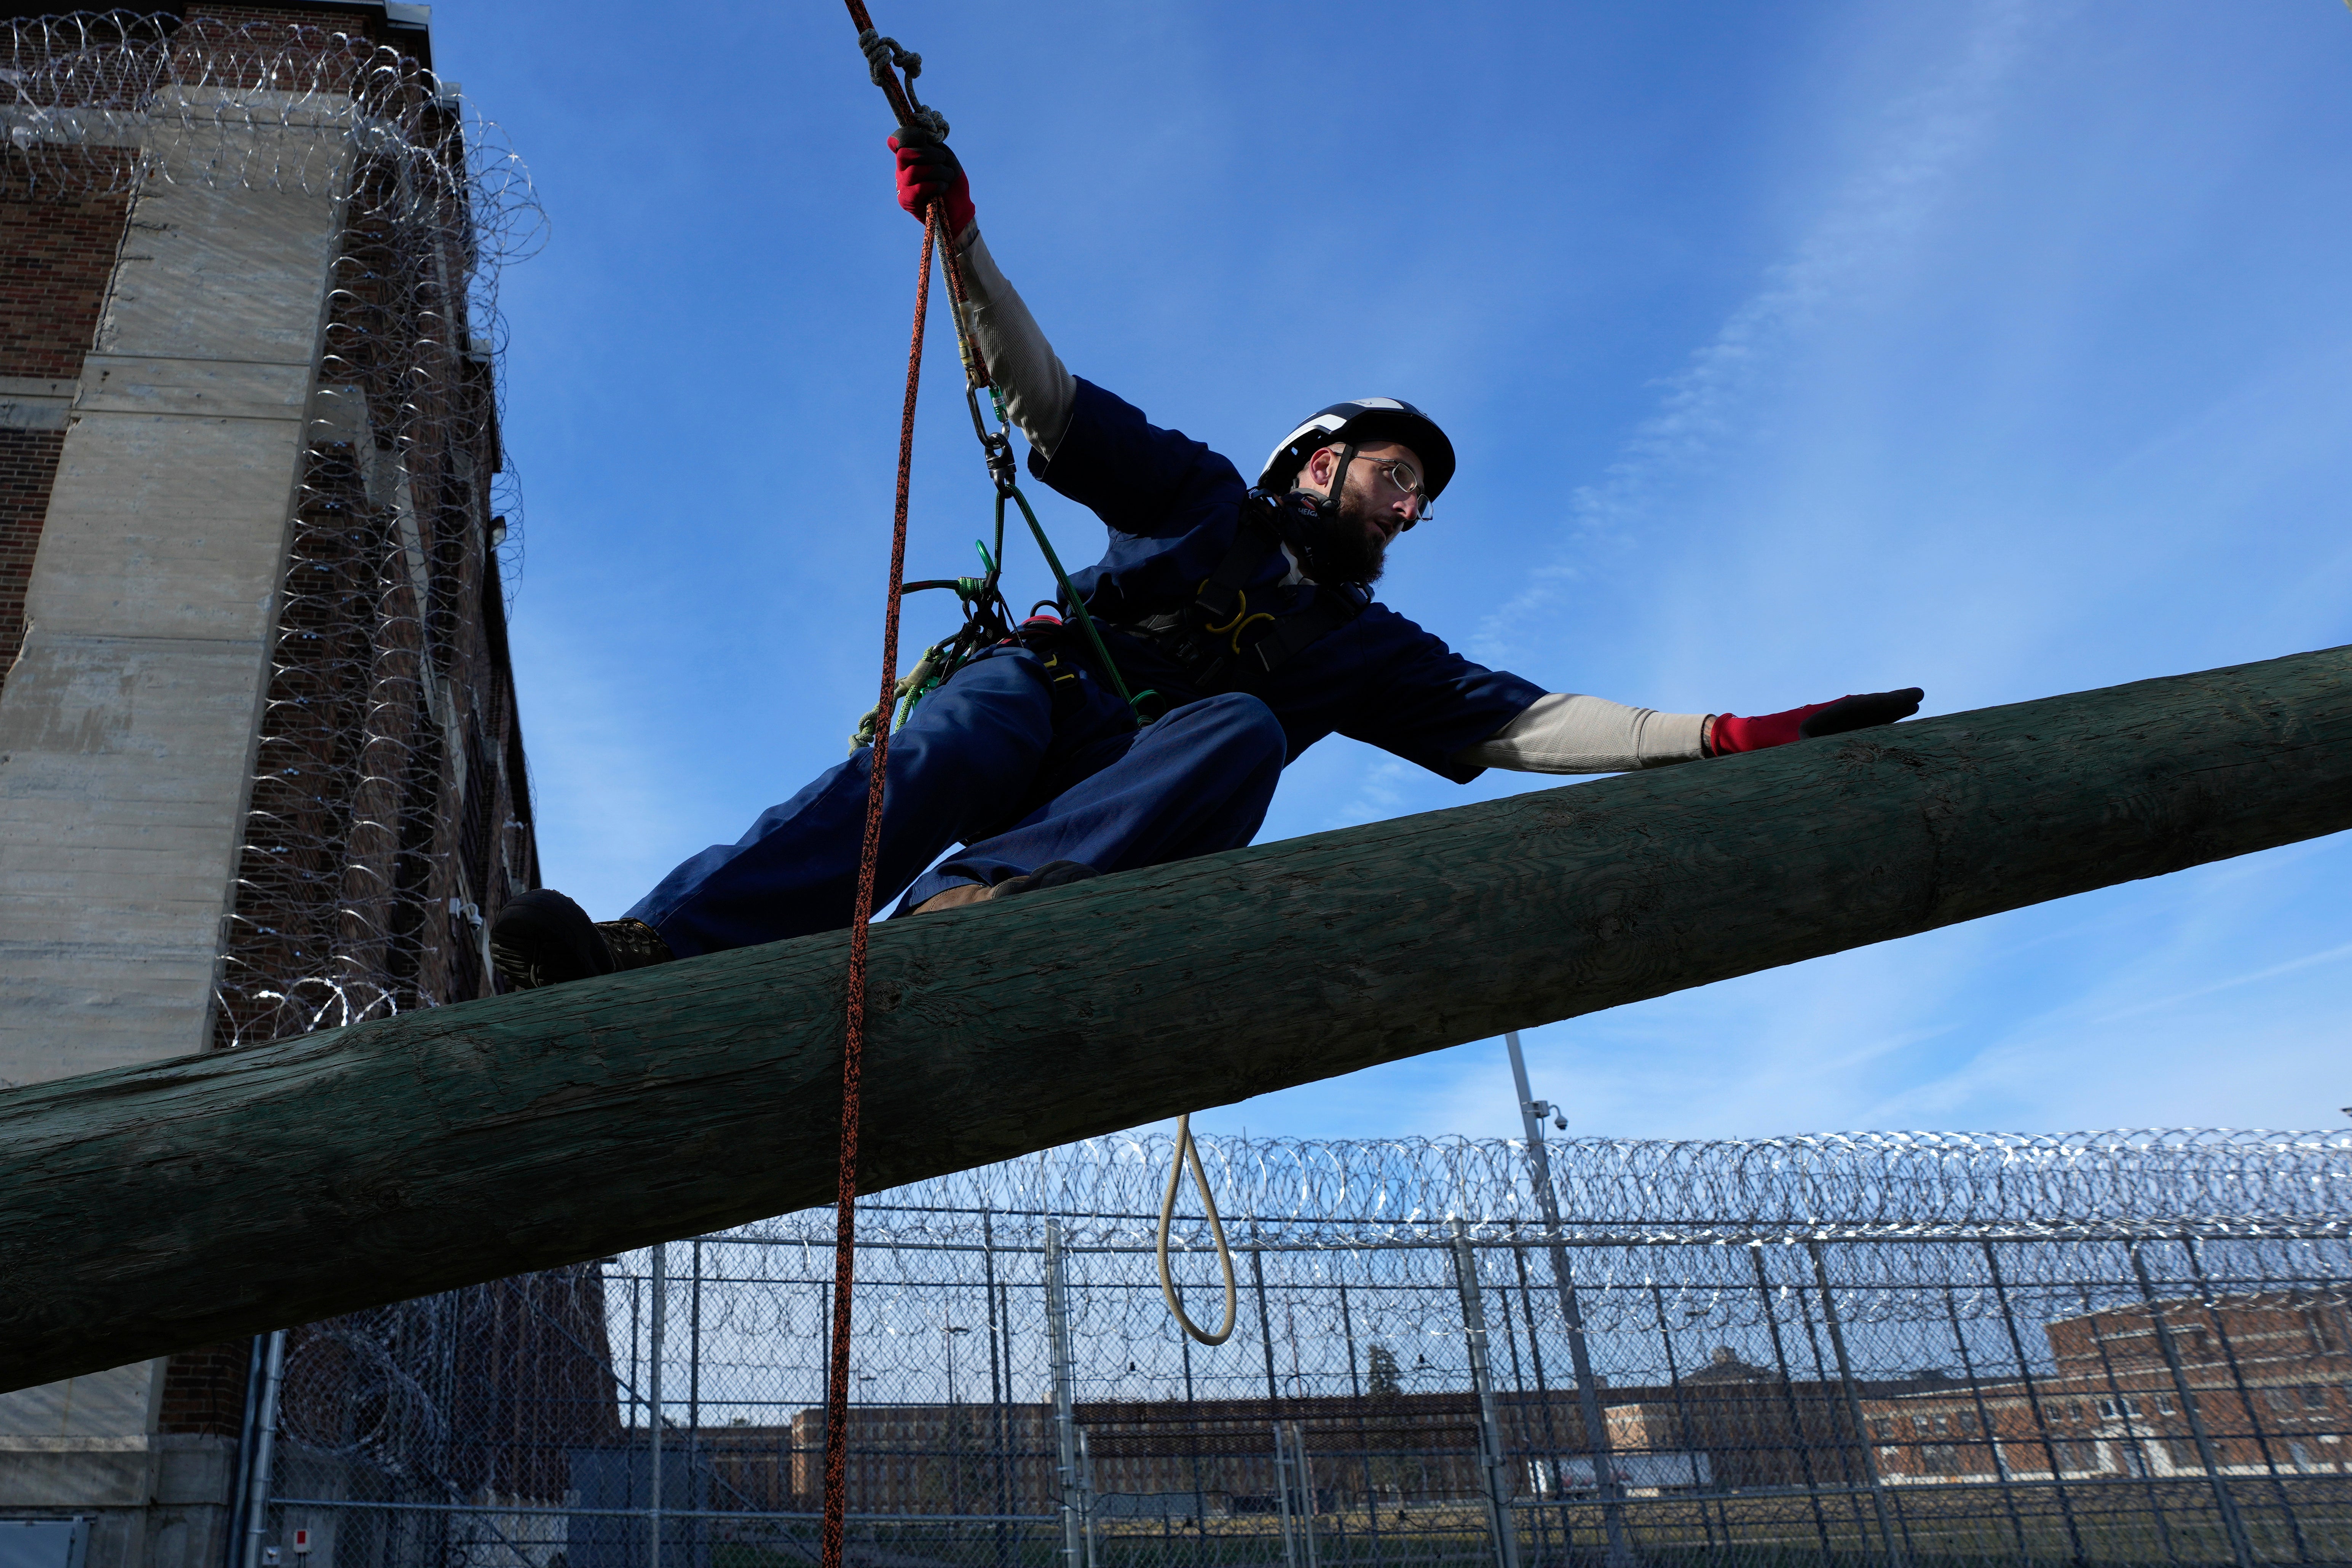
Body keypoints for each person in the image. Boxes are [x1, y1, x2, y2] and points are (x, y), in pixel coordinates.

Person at [488, 139, 1921, 990]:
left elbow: (1532, 726)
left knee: (1236, 724)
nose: (1407, 506)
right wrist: (962, 240)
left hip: (1108, 830)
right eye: (1392, 474)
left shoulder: (1372, 654)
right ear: (1317, 463)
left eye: (1420, 495)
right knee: (982, 710)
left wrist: (1729, 736)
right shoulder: (1196, 504)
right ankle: (654, 949)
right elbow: (1041, 395)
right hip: (1032, 727)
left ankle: (962, 920)